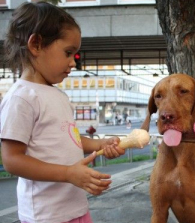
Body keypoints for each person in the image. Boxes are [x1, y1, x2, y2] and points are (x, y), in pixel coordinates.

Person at [0, 2, 125, 223]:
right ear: (36, 44)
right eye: (69, 53)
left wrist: (100, 145)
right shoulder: (22, 97)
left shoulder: (58, 96)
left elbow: (70, 139)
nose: (72, 63)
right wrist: (68, 173)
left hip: (75, 209)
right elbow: (12, 160)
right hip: (46, 215)